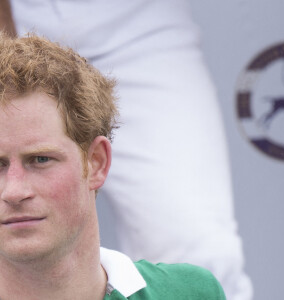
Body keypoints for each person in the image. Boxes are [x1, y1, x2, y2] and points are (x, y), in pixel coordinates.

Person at [3, 1, 253, 299]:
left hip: (136, 20)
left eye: (40, 159)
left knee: (198, 246)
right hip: (18, 9)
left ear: (97, 162)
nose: (15, 190)